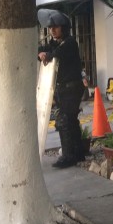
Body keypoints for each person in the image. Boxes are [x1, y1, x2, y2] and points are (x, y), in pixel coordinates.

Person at [38, 9, 86, 169]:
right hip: (63, 88)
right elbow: (42, 49)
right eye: (51, 27)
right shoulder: (56, 42)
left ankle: (68, 156)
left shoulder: (70, 42)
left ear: (64, 28)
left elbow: (56, 54)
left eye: (56, 27)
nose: (52, 30)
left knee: (63, 121)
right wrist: (41, 53)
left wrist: (47, 54)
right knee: (71, 120)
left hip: (72, 88)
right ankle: (78, 152)